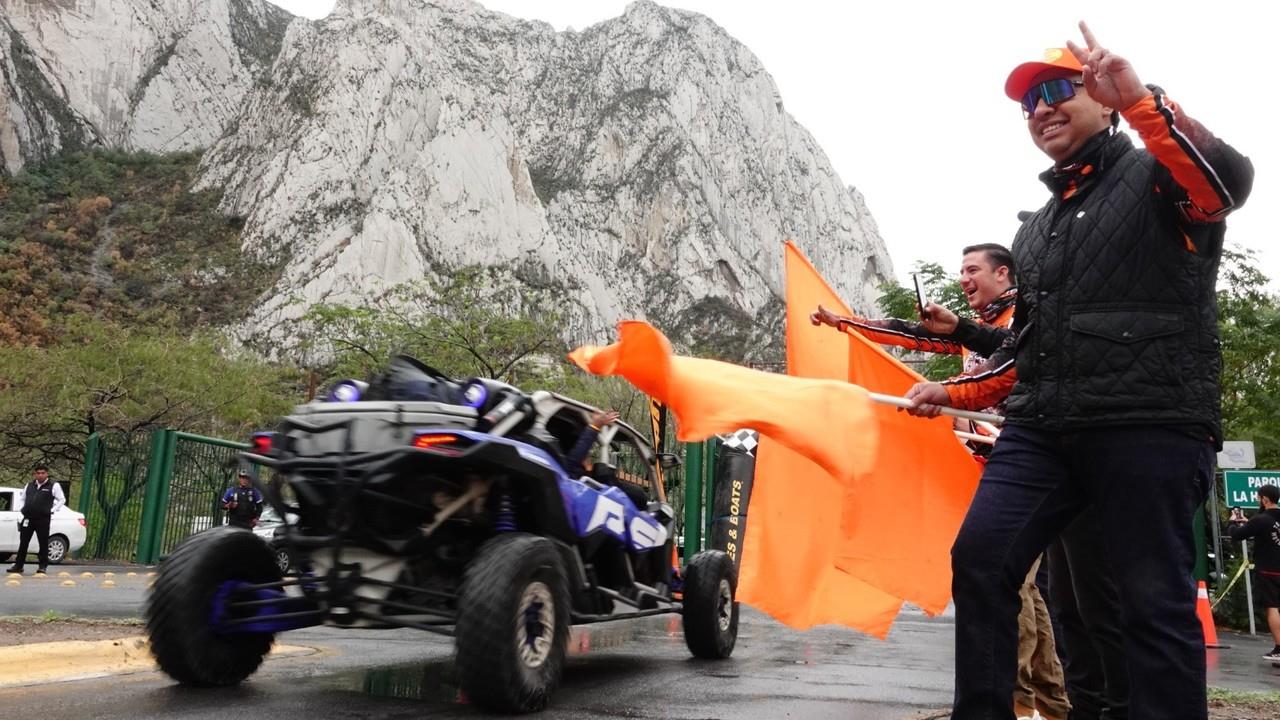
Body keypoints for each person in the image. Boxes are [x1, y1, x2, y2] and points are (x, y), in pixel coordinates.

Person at [904, 22, 1253, 720]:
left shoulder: (1159, 173)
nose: (1040, 108)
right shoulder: (1035, 229)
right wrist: (949, 391)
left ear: (1103, 98)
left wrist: (1145, 100)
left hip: (1149, 421)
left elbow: (1226, 185)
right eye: (1028, 102)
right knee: (982, 560)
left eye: (1058, 88)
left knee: (1148, 601)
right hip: (1042, 431)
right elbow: (1025, 352)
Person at [813, 246, 1068, 720]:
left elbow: (1008, 369)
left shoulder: (1026, 317)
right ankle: (1049, 702)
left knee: (1011, 585)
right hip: (986, 469)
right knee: (1022, 587)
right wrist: (843, 322)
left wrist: (949, 390)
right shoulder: (969, 332)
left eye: (973, 270)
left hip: (1031, 465)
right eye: (961, 271)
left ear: (1003, 272)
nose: (964, 279)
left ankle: (1021, 703)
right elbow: (911, 336)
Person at [1227, 484, 1280, 661]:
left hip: (1269, 570)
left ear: (1265, 499)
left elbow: (1237, 535)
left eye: (1259, 498)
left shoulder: (1261, 520)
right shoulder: (1263, 520)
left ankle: (1279, 648)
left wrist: (1233, 521)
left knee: (1272, 607)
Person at [6, 464, 66, 575]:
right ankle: (18, 565)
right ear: (35, 474)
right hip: (28, 518)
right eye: (38, 473)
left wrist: (52, 510)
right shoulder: (29, 485)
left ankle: (42, 566)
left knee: (43, 542)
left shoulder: (53, 485)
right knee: (23, 542)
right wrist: (22, 509)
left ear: (47, 474)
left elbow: (62, 500)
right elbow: (22, 498)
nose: (40, 475)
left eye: (43, 473)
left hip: (43, 519)